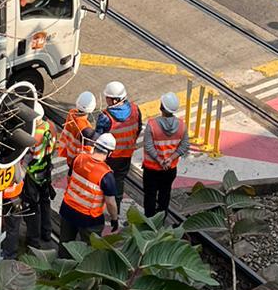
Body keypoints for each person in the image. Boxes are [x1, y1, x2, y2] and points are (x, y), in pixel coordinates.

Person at [58, 131, 120, 252]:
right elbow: (110, 203)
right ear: (110, 153)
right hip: (89, 219)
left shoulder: (79, 158)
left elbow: (69, 178)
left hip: (68, 209)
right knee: (89, 251)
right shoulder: (106, 175)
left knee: (65, 245)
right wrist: (114, 218)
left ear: (95, 145)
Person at [94, 79, 142, 214]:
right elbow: (138, 128)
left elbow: (97, 138)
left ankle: (102, 207)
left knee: (102, 181)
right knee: (119, 180)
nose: (106, 100)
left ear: (115, 100)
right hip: (126, 154)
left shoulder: (105, 117)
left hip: (109, 157)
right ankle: (117, 208)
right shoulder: (135, 109)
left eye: (107, 98)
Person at [141, 92, 190, 218]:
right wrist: (170, 159)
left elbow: (148, 146)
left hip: (151, 169)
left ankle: (149, 220)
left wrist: (159, 160)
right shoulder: (182, 125)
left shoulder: (152, 125)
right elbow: (184, 145)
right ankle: (161, 218)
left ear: (161, 107)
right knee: (165, 194)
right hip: (170, 168)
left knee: (150, 196)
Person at [21, 101, 58, 250]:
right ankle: (46, 232)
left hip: (33, 175)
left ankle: (33, 239)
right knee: (45, 201)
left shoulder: (33, 135)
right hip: (46, 170)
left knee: (32, 207)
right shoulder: (51, 127)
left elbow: (27, 156)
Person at [57, 91, 97, 166]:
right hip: (77, 161)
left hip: (69, 154)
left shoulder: (71, 113)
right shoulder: (86, 129)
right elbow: (89, 152)